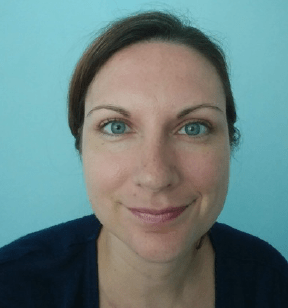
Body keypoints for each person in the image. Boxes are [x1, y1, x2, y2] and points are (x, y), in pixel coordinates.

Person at [0, 10, 287, 308]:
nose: (155, 177)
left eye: (193, 128)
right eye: (117, 127)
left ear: (230, 142)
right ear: (81, 145)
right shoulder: (12, 287)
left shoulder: (271, 283)